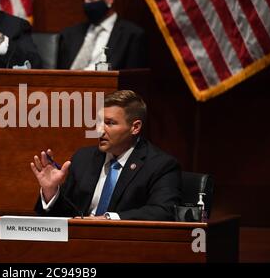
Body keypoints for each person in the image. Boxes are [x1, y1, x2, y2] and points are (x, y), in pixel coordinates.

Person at [31, 90, 181, 220]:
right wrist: (50, 191)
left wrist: (109, 219)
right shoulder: (83, 159)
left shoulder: (160, 165)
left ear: (135, 127)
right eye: (99, 122)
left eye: (110, 123)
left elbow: (164, 211)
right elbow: (66, 215)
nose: (100, 130)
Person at [57, 0, 147, 71]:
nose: (86, 3)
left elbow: (134, 79)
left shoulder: (131, 34)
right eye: (83, 0)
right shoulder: (69, 34)